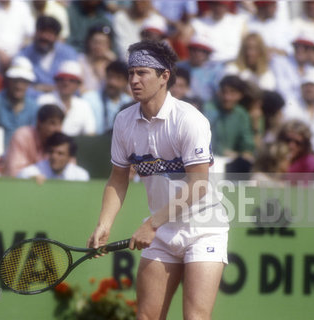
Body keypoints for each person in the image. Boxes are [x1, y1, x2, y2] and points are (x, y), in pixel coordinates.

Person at [87, 40, 228, 320]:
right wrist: (104, 224)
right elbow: (118, 179)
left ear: (165, 76)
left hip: (204, 229)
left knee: (195, 318)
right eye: (131, 73)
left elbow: (199, 185)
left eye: (143, 73)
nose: (134, 80)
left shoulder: (190, 120)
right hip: (163, 231)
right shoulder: (124, 121)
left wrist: (151, 224)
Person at [19, 15, 78, 93]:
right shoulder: (24, 55)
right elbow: (19, 88)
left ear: (57, 37)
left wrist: (45, 89)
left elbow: (74, 88)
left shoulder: (69, 54)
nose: (44, 37)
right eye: (42, 31)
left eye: (50, 33)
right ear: (36, 32)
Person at [0, 56, 39, 149]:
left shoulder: (34, 107)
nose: (19, 86)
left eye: (23, 81)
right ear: (8, 80)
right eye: (15, 81)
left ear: (29, 83)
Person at [203, 75, 255, 159]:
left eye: (232, 93)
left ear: (240, 95)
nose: (227, 97)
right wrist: (223, 152)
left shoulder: (242, 114)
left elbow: (247, 143)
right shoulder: (209, 109)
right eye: (224, 92)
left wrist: (244, 153)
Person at [37, 61, 96, 137]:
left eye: (71, 80)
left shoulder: (84, 106)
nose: (66, 83)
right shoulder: (43, 101)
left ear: (78, 84)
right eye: (62, 79)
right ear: (56, 81)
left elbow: (90, 134)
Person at [4, 104, 64, 177]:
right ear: (39, 123)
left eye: (60, 124)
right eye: (52, 123)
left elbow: (69, 171)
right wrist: (32, 176)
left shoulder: (62, 142)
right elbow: (14, 172)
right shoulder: (23, 136)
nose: (57, 129)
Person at [82, 60, 132, 135]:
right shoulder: (89, 99)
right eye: (110, 76)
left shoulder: (129, 103)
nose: (112, 82)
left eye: (118, 78)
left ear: (126, 82)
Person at [17, 132, 89, 182]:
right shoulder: (36, 170)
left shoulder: (80, 176)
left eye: (60, 153)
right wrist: (31, 178)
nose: (54, 156)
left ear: (70, 157)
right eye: (51, 152)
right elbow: (23, 175)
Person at [78, 24, 117, 93]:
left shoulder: (112, 62)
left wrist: (115, 63)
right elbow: (80, 90)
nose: (98, 46)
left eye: (103, 43)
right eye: (95, 42)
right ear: (89, 42)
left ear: (109, 44)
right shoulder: (80, 60)